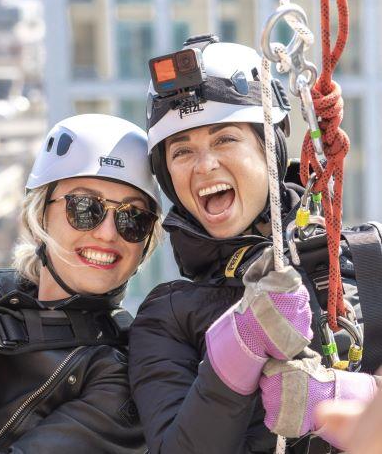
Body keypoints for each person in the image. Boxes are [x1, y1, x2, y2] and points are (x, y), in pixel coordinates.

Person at [129, 35, 380, 454]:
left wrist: (340, 396)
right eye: (181, 151)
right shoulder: (166, 318)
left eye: (225, 139)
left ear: (271, 149)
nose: (205, 165)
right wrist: (237, 351)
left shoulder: (367, 261)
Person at [0, 114, 161, 453]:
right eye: (85, 208)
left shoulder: (122, 377)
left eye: (133, 218)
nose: (108, 233)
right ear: (40, 215)